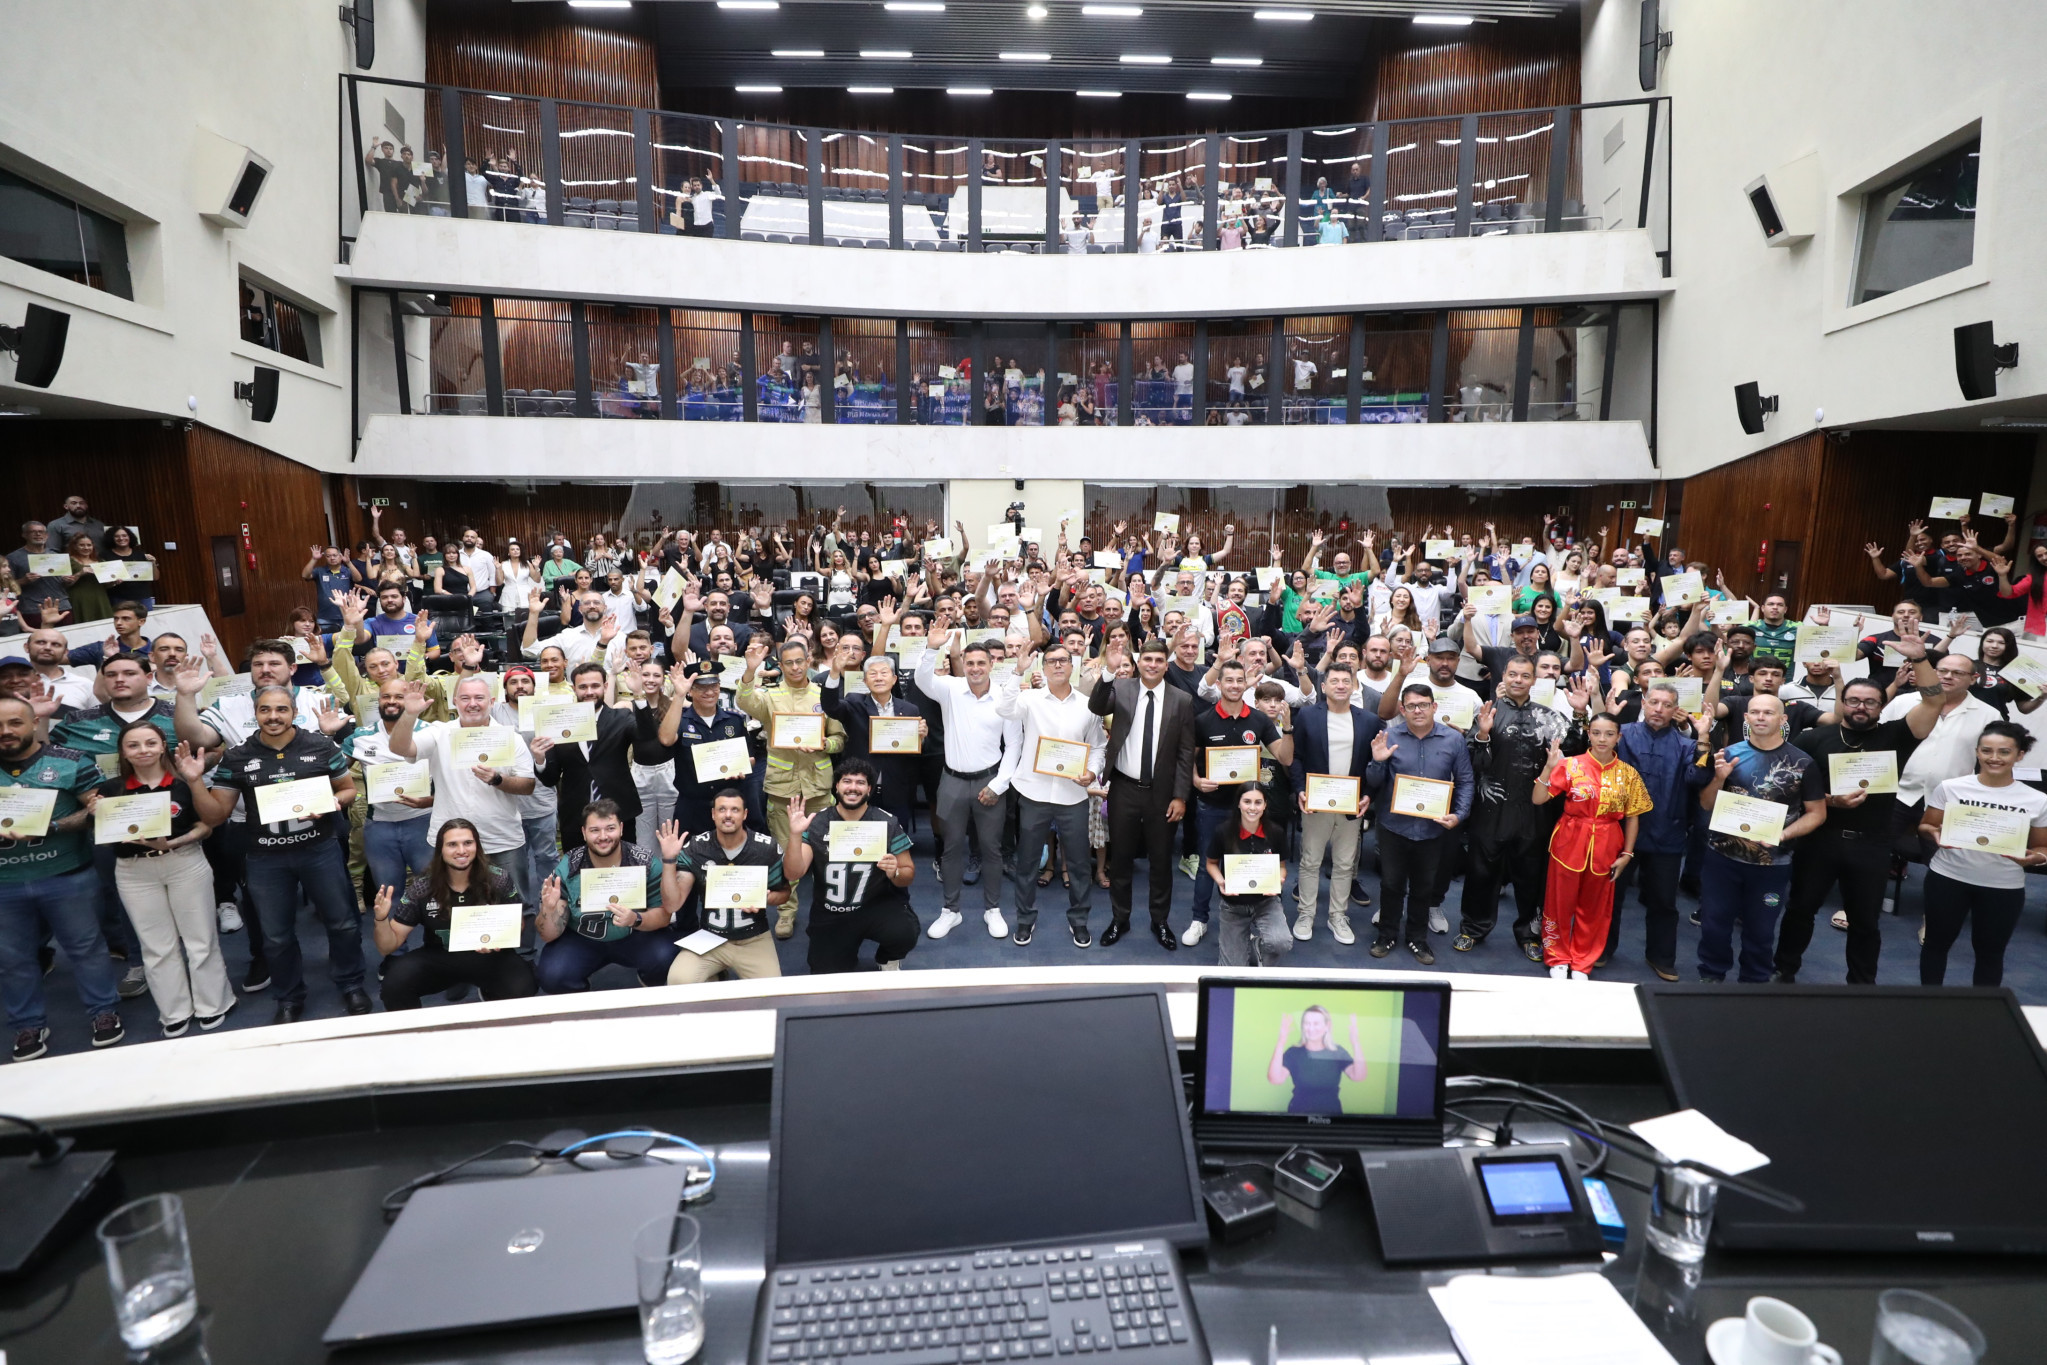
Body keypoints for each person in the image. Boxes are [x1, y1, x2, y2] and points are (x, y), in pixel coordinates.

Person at [186, 685, 367, 1024]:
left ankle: (351, 982)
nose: (273, 717)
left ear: (293, 711)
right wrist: (196, 782)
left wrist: (332, 803)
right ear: (255, 713)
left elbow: (348, 789)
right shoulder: (238, 755)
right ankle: (289, 996)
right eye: (265, 710)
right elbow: (214, 816)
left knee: (342, 923)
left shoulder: (320, 745)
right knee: (276, 935)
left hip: (319, 850)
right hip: (265, 857)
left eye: (281, 709)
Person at [1776, 666, 1939, 984]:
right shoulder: (1814, 739)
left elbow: (1934, 701)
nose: (1860, 707)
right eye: (1853, 700)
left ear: (1881, 706)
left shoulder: (1897, 735)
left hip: (1872, 843)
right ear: (1843, 702)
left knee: (1865, 921)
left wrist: (1920, 658)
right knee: (1800, 910)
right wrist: (1829, 801)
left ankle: (1862, 984)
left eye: (1869, 702)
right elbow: (1787, 790)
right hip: (1819, 839)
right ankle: (1784, 970)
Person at [0, 693, 125, 1059]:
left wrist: (52, 827)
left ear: (33, 724)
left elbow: (97, 809)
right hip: (4, 884)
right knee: (13, 959)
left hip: (67, 874)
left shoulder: (70, 761)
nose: (5, 731)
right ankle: (28, 1024)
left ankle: (104, 1012)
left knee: (86, 948)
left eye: (14, 723)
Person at [87, 725, 228, 1035]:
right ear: (123, 752)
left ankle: (214, 1003)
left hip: (184, 862)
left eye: (151, 742)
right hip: (133, 871)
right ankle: (174, 1010)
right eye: (134, 745)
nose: (143, 750)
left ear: (163, 746)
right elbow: (102, 831)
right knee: (156, 945)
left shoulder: (183, 784)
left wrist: (175, 842)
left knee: (200, 938)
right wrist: (97, 813)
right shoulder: (110, 791)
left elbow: (207, 826)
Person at [1457, 654, 1585, 958]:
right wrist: (1483, 733)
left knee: (1531, 876)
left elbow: (1577, 753)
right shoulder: (1486, 712)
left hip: (1535, 810)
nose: (1518, 680)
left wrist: (1579, 714)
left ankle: (1530, 933)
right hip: (1490, 809)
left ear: (1534, 680)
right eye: (1512, 675)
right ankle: (1472, 928)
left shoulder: (1549, 717)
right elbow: (1470, 763)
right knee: (1480, 873)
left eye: (1524, 676)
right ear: (1503, 677)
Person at [1695, 694, 1828, 983]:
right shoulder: (1728, 754)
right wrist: (1719, 778)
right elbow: (1706, 804)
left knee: (1761, 930)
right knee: (1714, 924)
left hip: (1772, 864)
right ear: (1746, 719)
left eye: (1768, 713)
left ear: (1783, 720)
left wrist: (1783, 834)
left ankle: (1754, 983)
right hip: (1722, 857)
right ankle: (1711, 977)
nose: (1760, 717)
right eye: (1754, 712)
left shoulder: (1803, 762)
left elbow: (1817, 813)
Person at [385, 676, 541, 908]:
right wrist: (409, 714)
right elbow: (399, 747)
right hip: (451, 841)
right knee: (448, 906)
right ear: (455, 702)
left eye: (479, 698)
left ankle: (523, 947)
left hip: (501, 838)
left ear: (492, 701)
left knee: (517, 905)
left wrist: (497, 779)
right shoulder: (439, 733)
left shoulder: (511, 738)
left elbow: (528, 785)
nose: (472, 704)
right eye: (465, 698)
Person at [1917, 722, 2047, 987]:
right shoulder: (1951, 787)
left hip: (2003, 886)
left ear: (2019, 755)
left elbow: (2042, 848)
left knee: (1990, 953)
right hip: (1948, 877)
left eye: (2004, 752)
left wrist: (2035, 859)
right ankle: (1928, 1006)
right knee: (1935, 945)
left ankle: (1983, 1014)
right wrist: (1934, 835)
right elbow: (1925, 825)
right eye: (1987, 750)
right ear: (1977, 752)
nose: (1994, 758)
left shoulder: (2037, 800)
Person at [1089, 638, 1198, 949]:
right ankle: (1119, 918)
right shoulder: (1122, 689)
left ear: (1166, 664)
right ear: (1139, 662)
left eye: (1158, 660)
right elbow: (1096, 706)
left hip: (1163, 795)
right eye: (1147, 659)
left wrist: (1180, 796)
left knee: (1161, 862)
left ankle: (1159, 920)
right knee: (1121, 859)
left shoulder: (1181, 700)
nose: (1152, 665)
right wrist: (1109, 672)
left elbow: (1185, 753)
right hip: (1123, 788)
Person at [995, 644, 1107, 947]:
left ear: (1072, 666)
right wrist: (1017, 669)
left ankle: (1079, 921)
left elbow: (1097, 746)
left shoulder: (1088, 704)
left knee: (1080, 865)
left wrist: (1092, 773)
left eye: (1063, 661)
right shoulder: (1028, 699)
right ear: (1042, 668)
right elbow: (1003, 709)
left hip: (1073, 794)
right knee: (1028, 862)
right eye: (1051, 661)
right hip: (1033, 792)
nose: (1058, 665)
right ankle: (1024, 920)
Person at [370, 818, 539, 1009]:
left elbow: (519, 927)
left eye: (468, 843)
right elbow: (387, 947)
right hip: (440, 956)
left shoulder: (498, 879)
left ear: (477, 846)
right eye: (452, 845)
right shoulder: (422, 887)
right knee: (394, 984)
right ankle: (415, 1035)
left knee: (525, 987)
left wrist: (499, 937)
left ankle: (490, 992)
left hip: (489, 957)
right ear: (440, 850)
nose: (461, 851)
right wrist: (381, 918)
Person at [1530, 714, 1651, 980]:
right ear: (1589, 734)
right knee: (1559, 903)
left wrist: (1627, 854)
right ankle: (1557, 957)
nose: (1602, 739)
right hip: (1569, 841)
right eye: (1596, 733)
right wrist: (1549, 767)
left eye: (1609, 734)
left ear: (1618, 737)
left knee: (1595, 908)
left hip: (1608, 844)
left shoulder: (1628, 774)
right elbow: (1538, 799)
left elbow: (1633, 816)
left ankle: (1583, 960)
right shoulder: (1571, 765)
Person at [739, 636, 844, 937]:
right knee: (787, 854)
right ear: (781, 665)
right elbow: (745, 701)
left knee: (827, 852)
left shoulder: (824, 694)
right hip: (783, 789)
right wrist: (750, 671)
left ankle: (831, 909)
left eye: (800, 661)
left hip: (818, 788)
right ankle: (786, 914)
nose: (796, 667)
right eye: (789, 663)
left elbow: (840, 738)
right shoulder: (770, 696)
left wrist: (826, 743)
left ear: (809, 660)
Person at [1184, 657, 1292, 946]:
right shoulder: (1203, 720)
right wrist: (1195, 780)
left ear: (1246, 685)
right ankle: (1199, 919)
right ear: (1219, 684)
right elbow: (1188, 758)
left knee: (1253, 863)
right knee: (1209, 863)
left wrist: (1289, 728)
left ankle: (1255, 921)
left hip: (1250, 811)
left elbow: (1285, 757)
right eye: (1228, 680)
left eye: (1239, 680)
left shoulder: (1258, 720)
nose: (1234, 685)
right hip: (1212, 805)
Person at [1610, 681, 1712, 980]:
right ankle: (1601, 949)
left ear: (1675, 710)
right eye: (1654, 702)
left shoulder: (1686, 745)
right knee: (1610, 897)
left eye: (1667, 705)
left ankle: (1661, 957)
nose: (1659, 709)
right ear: (1643, 702)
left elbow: (1698, 777)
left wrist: (1703, 736)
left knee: (1664, 902)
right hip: (1619, 832)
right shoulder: (1623, 734)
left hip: (1667, 832)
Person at [1366, 685, 1474, 965]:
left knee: (1424, 888)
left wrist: (1459, 814)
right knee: (1391, 884)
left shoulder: (1453, 739)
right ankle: (1387, 934)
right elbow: (1374, 784)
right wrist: (1377, 762)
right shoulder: (1389, 737)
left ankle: (1417, 938)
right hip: (1393, 826)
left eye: (1423, 705)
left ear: (1434, 707)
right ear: (1402, 710)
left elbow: (1465, 781)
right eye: (1411, 706)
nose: (1417, 710)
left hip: (1434, 829)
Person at [914, 632, 1012, 940]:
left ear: (991, 664)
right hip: (952, 781)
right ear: (963, 664)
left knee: (991, 850)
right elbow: (921, 680)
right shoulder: (951, 689)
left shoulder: (1004, 695)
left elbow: (1015, 746)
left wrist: (999, 784)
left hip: (990, 781)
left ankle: (992, 909)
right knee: (952, 848)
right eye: (969, 663)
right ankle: (950, 911)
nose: (975, 668)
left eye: (981, 662)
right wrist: (931, 648)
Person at [781, 760, 919, 973]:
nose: (853, 787)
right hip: (832, 911)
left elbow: (908, 874)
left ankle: (888, 958)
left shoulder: (887, 822)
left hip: (874, 905)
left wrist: (895, 872)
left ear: (869, 789)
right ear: (836, 786)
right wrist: (795, 835)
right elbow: (793, 873)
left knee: (905, 931)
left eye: (860, 782)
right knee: (826, 974)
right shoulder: (818, 822)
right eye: (847, 781)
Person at [534, 801, 683, 992]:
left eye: (610, 828)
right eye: (595, 830)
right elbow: (547, 935)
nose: (603, 837)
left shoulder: (644, 862)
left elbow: (663, 917)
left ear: (621, 829)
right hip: (582, 937)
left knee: (666, 955)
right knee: (552, 975)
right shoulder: (569, 866)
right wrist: (548, 910)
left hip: (633, 934)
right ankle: (580, 999)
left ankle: (649, 981)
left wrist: (636, 919)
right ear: (584, 832)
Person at [1288, 663, 1379, 944]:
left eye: (1346, 681)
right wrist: (1300, 790)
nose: (1341, 685)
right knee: (1310, 861)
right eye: (1335, 680)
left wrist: (1369, 795)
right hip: (1316, 802)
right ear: (1323, 687)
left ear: (1353, 686)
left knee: (1344, 864)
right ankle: (1306, 914)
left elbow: (1375, 763)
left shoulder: (1369, 721)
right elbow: (1297, 758)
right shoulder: (1306, 716)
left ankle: (1337, 916)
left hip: (1351, 805)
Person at [666, 788, 790, 984]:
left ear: (745, 814)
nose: (728, 815)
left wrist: (767, 898)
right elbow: (673, 904)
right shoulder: (697, 848)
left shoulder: (766, 848)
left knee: (772, 992)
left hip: (753, 937)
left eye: (735, 810)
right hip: (710, 936)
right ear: (713, 814)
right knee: (678, 980)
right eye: (722, 809)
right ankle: (715, 975)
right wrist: (669, 860)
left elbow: (784, 893)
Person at [530, 662, 653, 851]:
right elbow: (550, 778)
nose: (589, 691)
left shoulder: (620, 717)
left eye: (595, 686)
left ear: (605, 686)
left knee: (625, 868)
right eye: (583, 687)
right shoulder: (557, 722)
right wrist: (539, 759)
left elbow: (647, 736)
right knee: (577, 871)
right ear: (574, 689)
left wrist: (639, 694)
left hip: (620, 810)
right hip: (575, 814)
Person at [1205, 785, 1292, 968]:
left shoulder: (1276, 832)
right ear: (1238, 804)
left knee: (1281, 943)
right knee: (1232, 971)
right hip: (1233, 905)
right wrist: (1221, 881)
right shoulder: (1223, 831)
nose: (1252, 808)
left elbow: (1282, 868)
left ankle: (1257, 946)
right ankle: (1244, 946)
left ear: (1265, 805)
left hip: (1266, 902)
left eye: (1258, 802)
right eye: (1247, 802)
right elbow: (1211, 864)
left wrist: (1278, 882)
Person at [1265, 1005, 1368, 1114]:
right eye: (1307, 1023)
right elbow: (1275, 1079)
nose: (1310, 1028)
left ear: (1327, 1026)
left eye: (1316, 1023)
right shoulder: (1293, 1052)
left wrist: (1356, 1042)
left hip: (1331, 1117)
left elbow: (1358, 1076)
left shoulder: (1337, 1052)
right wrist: (1281, 1041)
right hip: (1299, 1117)